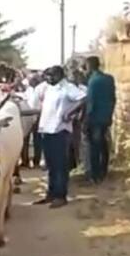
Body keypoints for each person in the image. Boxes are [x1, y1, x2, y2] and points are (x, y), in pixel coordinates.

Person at [33, 66, 86, 208]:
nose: (49, 78)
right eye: (47, 76)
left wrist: (70, 113)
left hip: (60, 130)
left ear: (60, 75)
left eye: (52, 76)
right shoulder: (49, 88)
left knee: (60, 165)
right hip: (46, 129)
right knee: (50, 165)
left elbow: (83, 99)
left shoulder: (67, 88)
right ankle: (51, 194)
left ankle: (61, 196)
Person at [84, 56, 116, 183]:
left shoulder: (93, 81)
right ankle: (104, 170)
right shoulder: (109, 79)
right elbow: (113, 98)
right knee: (103, 145)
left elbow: (91, 103)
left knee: (94, 146)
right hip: (106, 116)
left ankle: (95, 174)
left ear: (90, 66)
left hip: (95, 118)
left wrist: (86, 120)